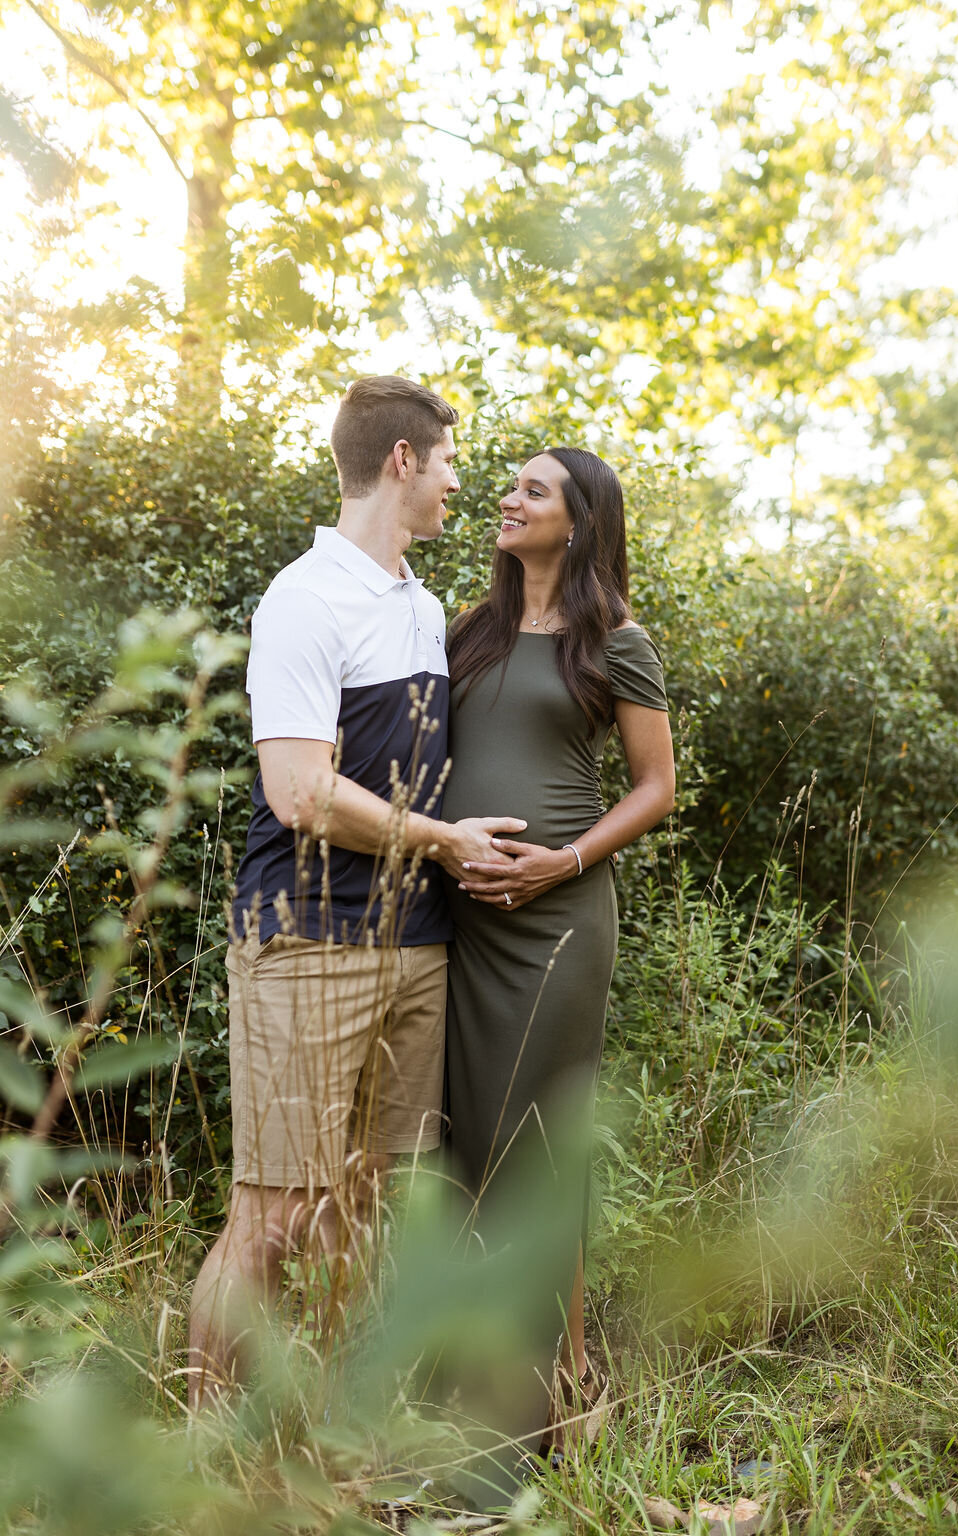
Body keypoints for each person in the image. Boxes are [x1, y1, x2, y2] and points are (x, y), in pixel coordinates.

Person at [188, 376, 525, 1408]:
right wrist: (443, 843)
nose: (459, 485)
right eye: (450, 463)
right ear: (401, 462)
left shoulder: (423, 607)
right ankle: (206, 1456)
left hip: (415, 945)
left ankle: (303, 1443)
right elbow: (299, 792)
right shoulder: (304, 598)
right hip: (307, 940)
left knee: (365, 1206)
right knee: (275, 1214)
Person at [442, 446, 676, 1493]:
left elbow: (656, 786)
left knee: (541, 1153)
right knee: (465, 1146)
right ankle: (481, 1382)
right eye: (509, 485)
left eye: (532, 490)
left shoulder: (615, 640)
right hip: (465, 920)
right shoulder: (467, 632)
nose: (507, 498)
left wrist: (562, 861)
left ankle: (560, 1399)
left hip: (559, 921)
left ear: (578, 523)